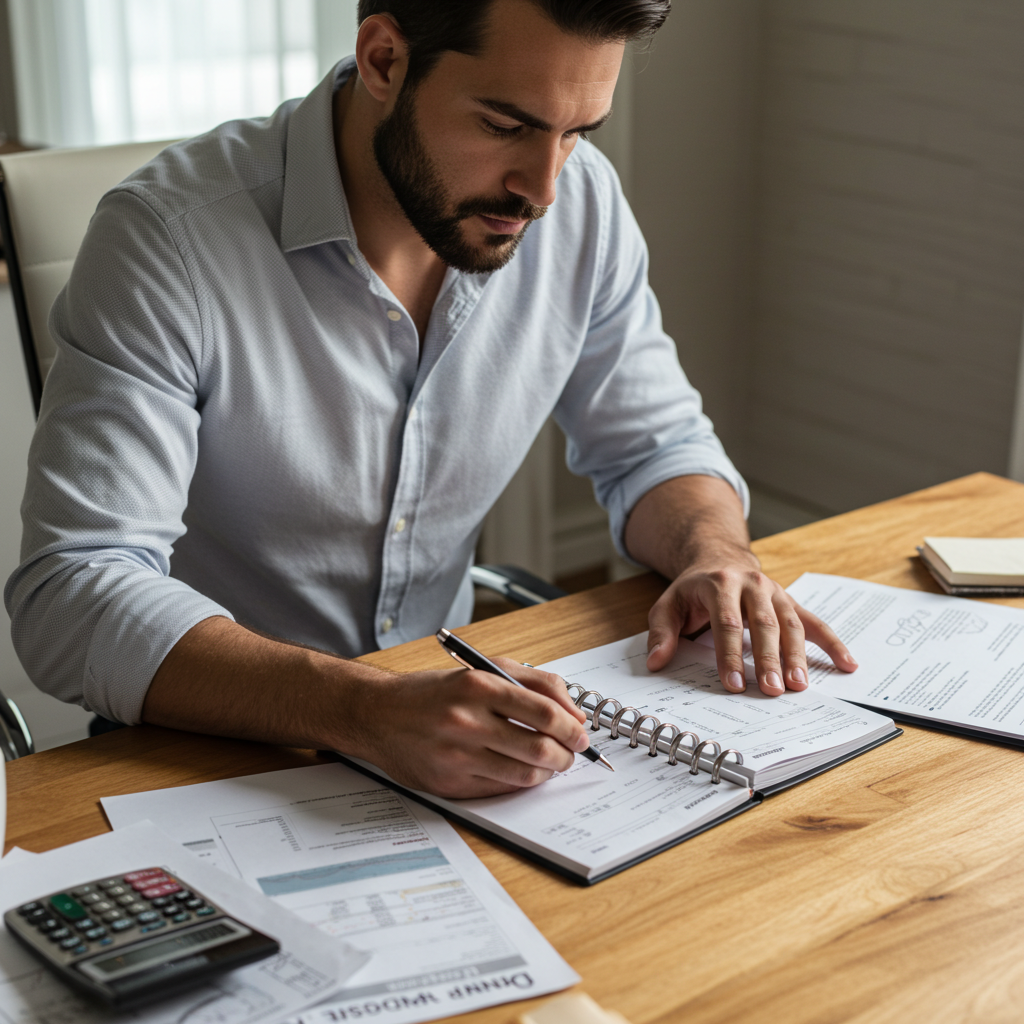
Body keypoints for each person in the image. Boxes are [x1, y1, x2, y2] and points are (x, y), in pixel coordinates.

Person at [5, 0, 856, 797]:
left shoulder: (582, 205)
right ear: (384, 59)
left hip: (450, 746)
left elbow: (654, 446)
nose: (545, 187)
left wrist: (717, 551)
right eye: (504, 125)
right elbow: (75, 590)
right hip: (202, 761)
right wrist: (362, 709)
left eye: (575, 134)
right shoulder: (169, 241)